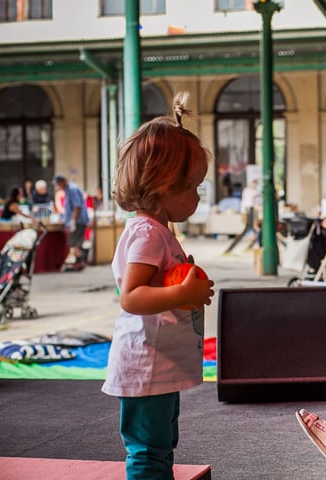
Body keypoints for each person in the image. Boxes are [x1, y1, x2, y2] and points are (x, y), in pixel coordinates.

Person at [101, 92, 215, 480]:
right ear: (164, 187)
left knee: (160, 445)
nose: (198, 196)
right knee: (148, 451)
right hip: (145, 364)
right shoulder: (147, 233)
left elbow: (160, 283)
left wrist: (190, 286)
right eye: (194, 187)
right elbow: (131, 296)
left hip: (158, 362)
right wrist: (184, 294)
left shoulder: (159, 233)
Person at [54, 173, 90, 271]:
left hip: (78, 221)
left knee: (75, 243)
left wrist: (73, 221)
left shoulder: (72, 189)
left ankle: (80, 262)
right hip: (76, 220)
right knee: (75, 243)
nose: (58, 186)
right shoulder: (68, 189)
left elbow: (77, 207)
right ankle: (79, 262)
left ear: (63, 181)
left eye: (58, 184)